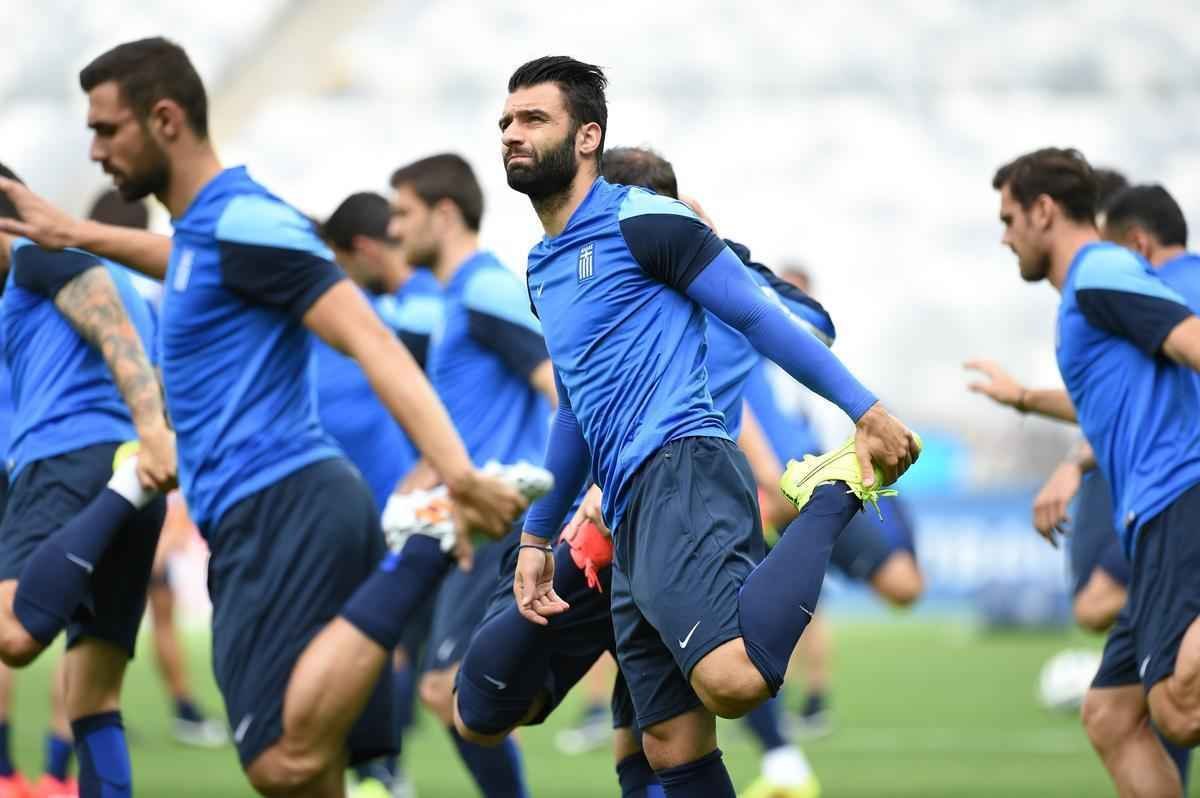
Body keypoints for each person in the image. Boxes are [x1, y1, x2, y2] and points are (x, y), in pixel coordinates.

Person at [0, 38, 526, 797]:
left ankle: (427, 544)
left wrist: (459, 477)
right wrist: (76, 233)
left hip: (284, 502)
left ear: (165, 120)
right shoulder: (208, 231)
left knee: (281, 759)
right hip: (261, 512)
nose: (94, 151)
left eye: (107, 130)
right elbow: (185, 259)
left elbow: (370, 339)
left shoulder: (247, 220)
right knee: (311, 779)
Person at [495, 56, 918, 796]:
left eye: (534, 119)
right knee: (668, 743)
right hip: (627, 502)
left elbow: (758, 314)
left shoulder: (643, 219)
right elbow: (573, 411)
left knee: (734, 679)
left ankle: (835, 490)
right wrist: (536, 536)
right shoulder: (541, 267)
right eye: (505, 121)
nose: (511, 133)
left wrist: (866, 411)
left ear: (588, 136)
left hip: (682, 468)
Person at [988, 148, 1200, 797]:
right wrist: (1027, 400)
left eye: (1009, 219)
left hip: (1178, 497)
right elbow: (1110, 401)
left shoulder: (1099, 272)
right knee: (1111, 715)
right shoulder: (1090, 292)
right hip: (1151, 513)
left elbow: (1191, 340)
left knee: (1179, 708)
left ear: (1044, 211)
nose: (1005, 238)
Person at [0, 160, 173, 798]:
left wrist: (149, 434)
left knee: (13, 632)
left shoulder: (38, 256)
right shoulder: (122, 282)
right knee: (93, 697)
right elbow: (153, 362)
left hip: (69, 464)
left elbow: (109, 324)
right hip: (128, 476)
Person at [388, 153, 557, 798]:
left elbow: (561, 389)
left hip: (498, 521)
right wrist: (426, 470)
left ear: (445, 213)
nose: (394, 229)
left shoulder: (485, 290)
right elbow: (473, 417)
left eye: (403, 213)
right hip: (464, 518)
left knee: (446, 688)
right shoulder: (454, 297)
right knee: (456, 693)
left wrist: (563, 487)